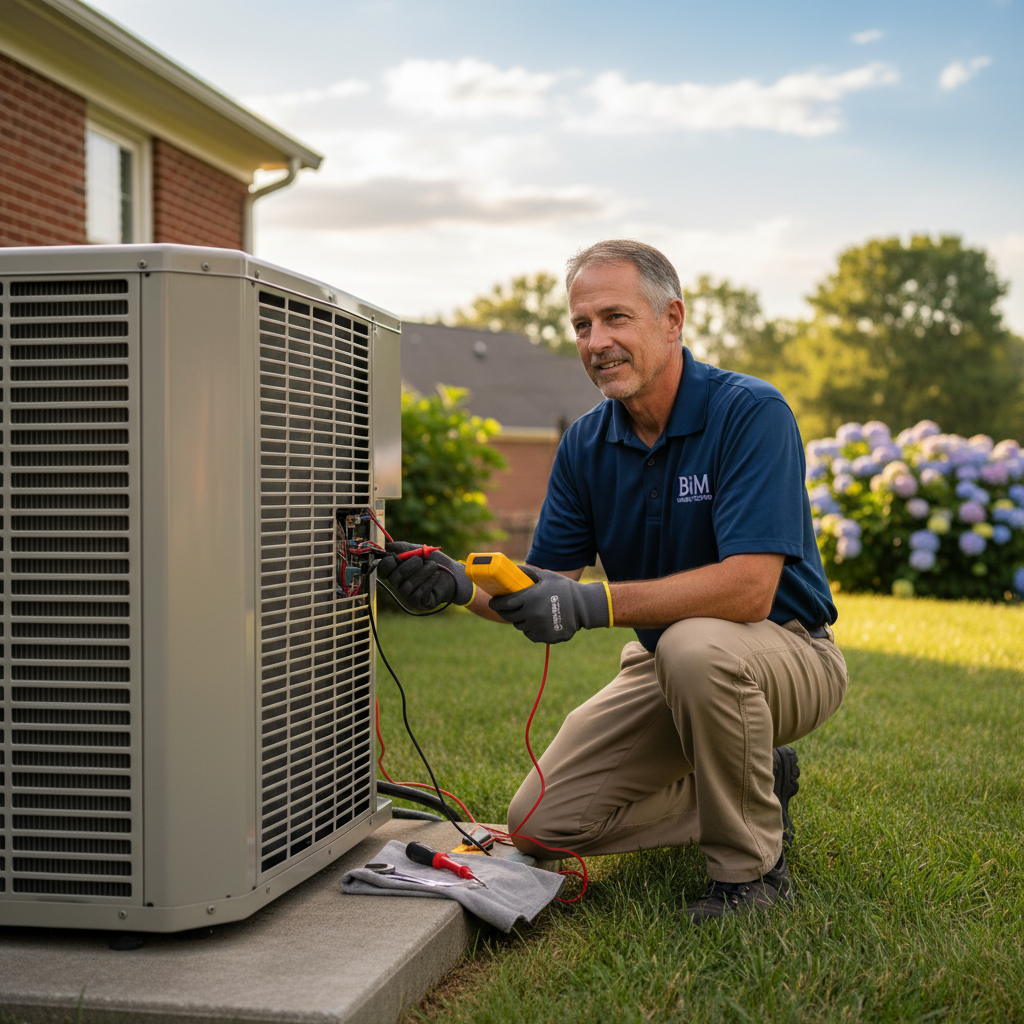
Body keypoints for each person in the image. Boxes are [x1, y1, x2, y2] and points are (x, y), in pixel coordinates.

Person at [377, 240, 848, 924]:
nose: (597, 341)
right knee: (541, 822)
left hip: (790, 652)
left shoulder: (750, 412)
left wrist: (593, 604)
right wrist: (454, 584)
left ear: (673, 319)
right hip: (669, 662)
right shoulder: (586, 445)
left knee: (694, 648)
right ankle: (757, 784)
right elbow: (543, 587)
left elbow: (750, 589)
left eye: (616, 318)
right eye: (582, 325)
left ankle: (752, 877)